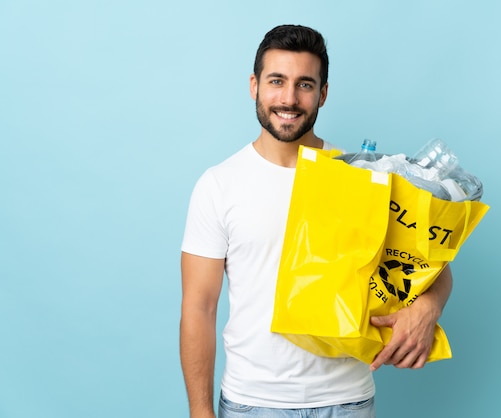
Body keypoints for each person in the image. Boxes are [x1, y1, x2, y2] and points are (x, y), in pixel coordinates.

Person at [179, 24, 453, 418]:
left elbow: (430, 267)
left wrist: (428, 307)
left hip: (347, 401)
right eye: (277, 81)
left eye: (304, 84)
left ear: (322, 93)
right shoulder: (219, 185)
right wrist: (200, 413)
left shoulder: (361, 175)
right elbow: (198, 308)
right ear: (254, 85)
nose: (288, 98)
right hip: (251, 403)